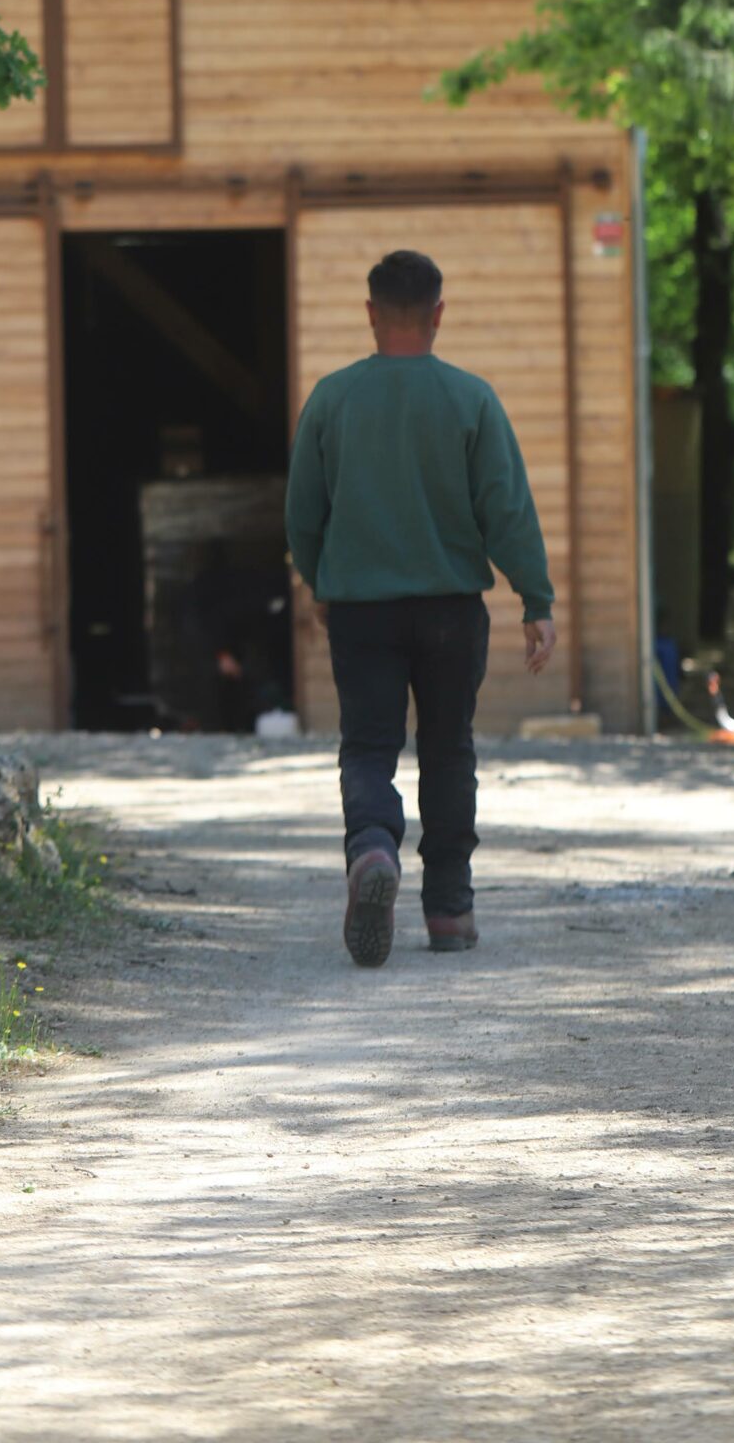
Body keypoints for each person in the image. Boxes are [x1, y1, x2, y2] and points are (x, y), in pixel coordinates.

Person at [284, 249, 557, 966]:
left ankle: (373, 848)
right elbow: (506, 509)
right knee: (447, 749)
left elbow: (302, 515)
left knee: (370, 746)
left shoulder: (332, 399)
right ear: (439, 313)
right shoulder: (471, 400)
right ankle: (450, 911)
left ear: (370, 313)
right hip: (449, 610)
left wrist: (320, 584)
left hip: (362, 610)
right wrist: (536, 597)